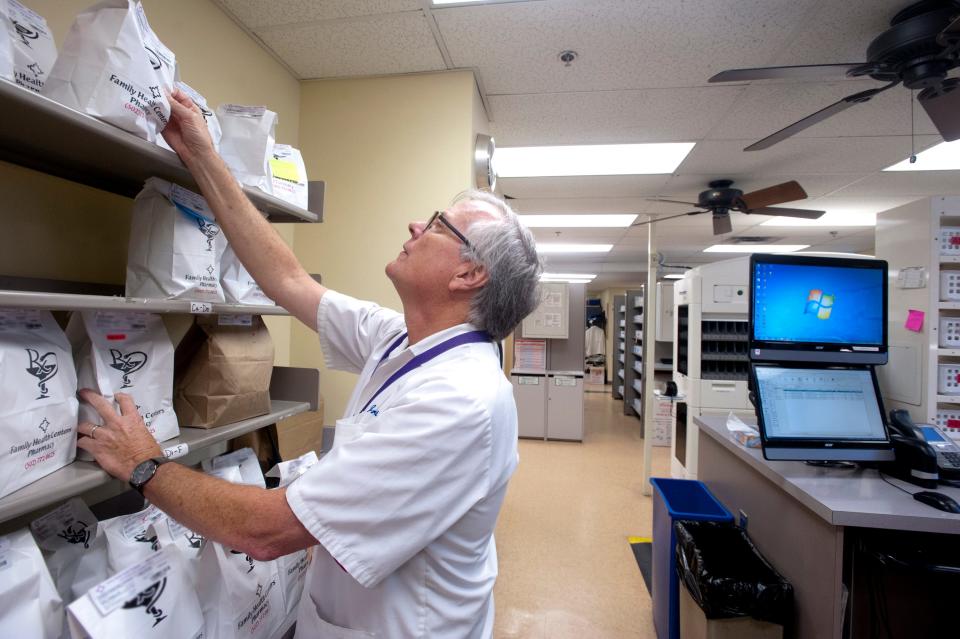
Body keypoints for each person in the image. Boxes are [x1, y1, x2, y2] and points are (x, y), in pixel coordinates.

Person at [75, 89, 543, 638]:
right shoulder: (402, 338)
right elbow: (287, 280)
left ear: (468, 276)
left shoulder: (461, 402)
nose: (419, 224)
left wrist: (145, 465)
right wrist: (201, 153)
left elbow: (268, 532)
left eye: (440, 224)